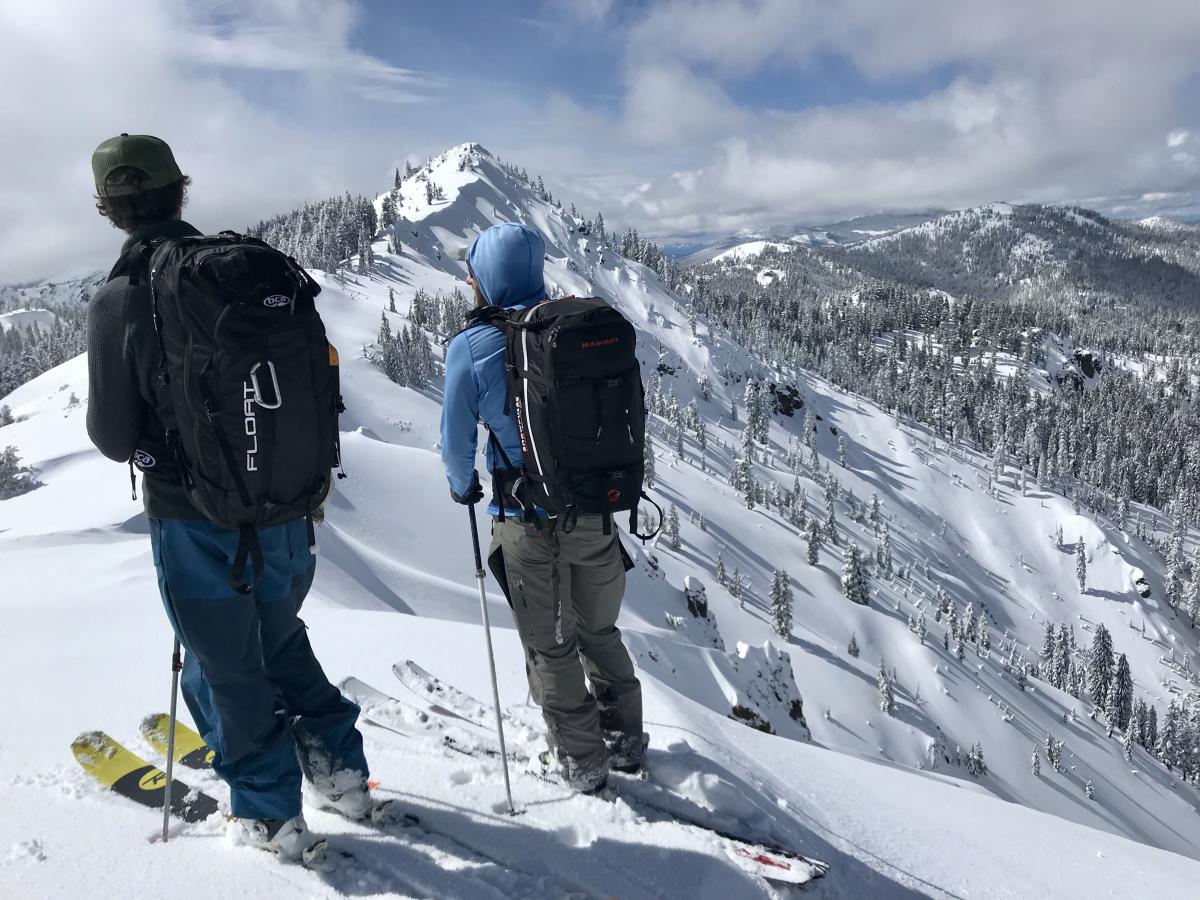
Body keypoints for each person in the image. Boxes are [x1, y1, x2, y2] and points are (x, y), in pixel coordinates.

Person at [86, 133, 385, 860]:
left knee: (227, 666)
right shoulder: (248, 272)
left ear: (110, 209)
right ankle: (341, 770)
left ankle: (266, 814)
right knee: (281, 640)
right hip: (286, 508)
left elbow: (112, 434)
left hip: (196, 519)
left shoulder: (121, 298)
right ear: (179, 192)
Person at [441, 222, 645, 794]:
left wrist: (464, 488)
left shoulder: (474, 347)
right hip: (593, 514)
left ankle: (582, 761)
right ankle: (625, 739)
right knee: (600, 631)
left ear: (482, 278)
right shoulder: (576, 328)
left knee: (550, 647)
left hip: (526, 525)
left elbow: (456, 445)